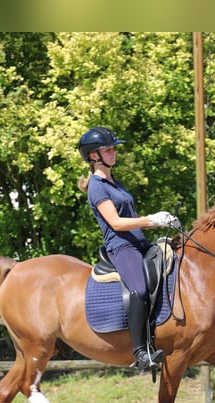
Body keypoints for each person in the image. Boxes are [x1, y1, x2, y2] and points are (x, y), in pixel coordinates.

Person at [78, 126, 178, 374]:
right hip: (121, 246)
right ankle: (140, 352)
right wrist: (152, 220)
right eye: (108, 150)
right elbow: (116, 223)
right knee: (140, 288)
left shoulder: (114, 182)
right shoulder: (97, 187)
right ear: (93, 156)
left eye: (113, 149)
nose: (114, 153)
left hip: (139, 242)